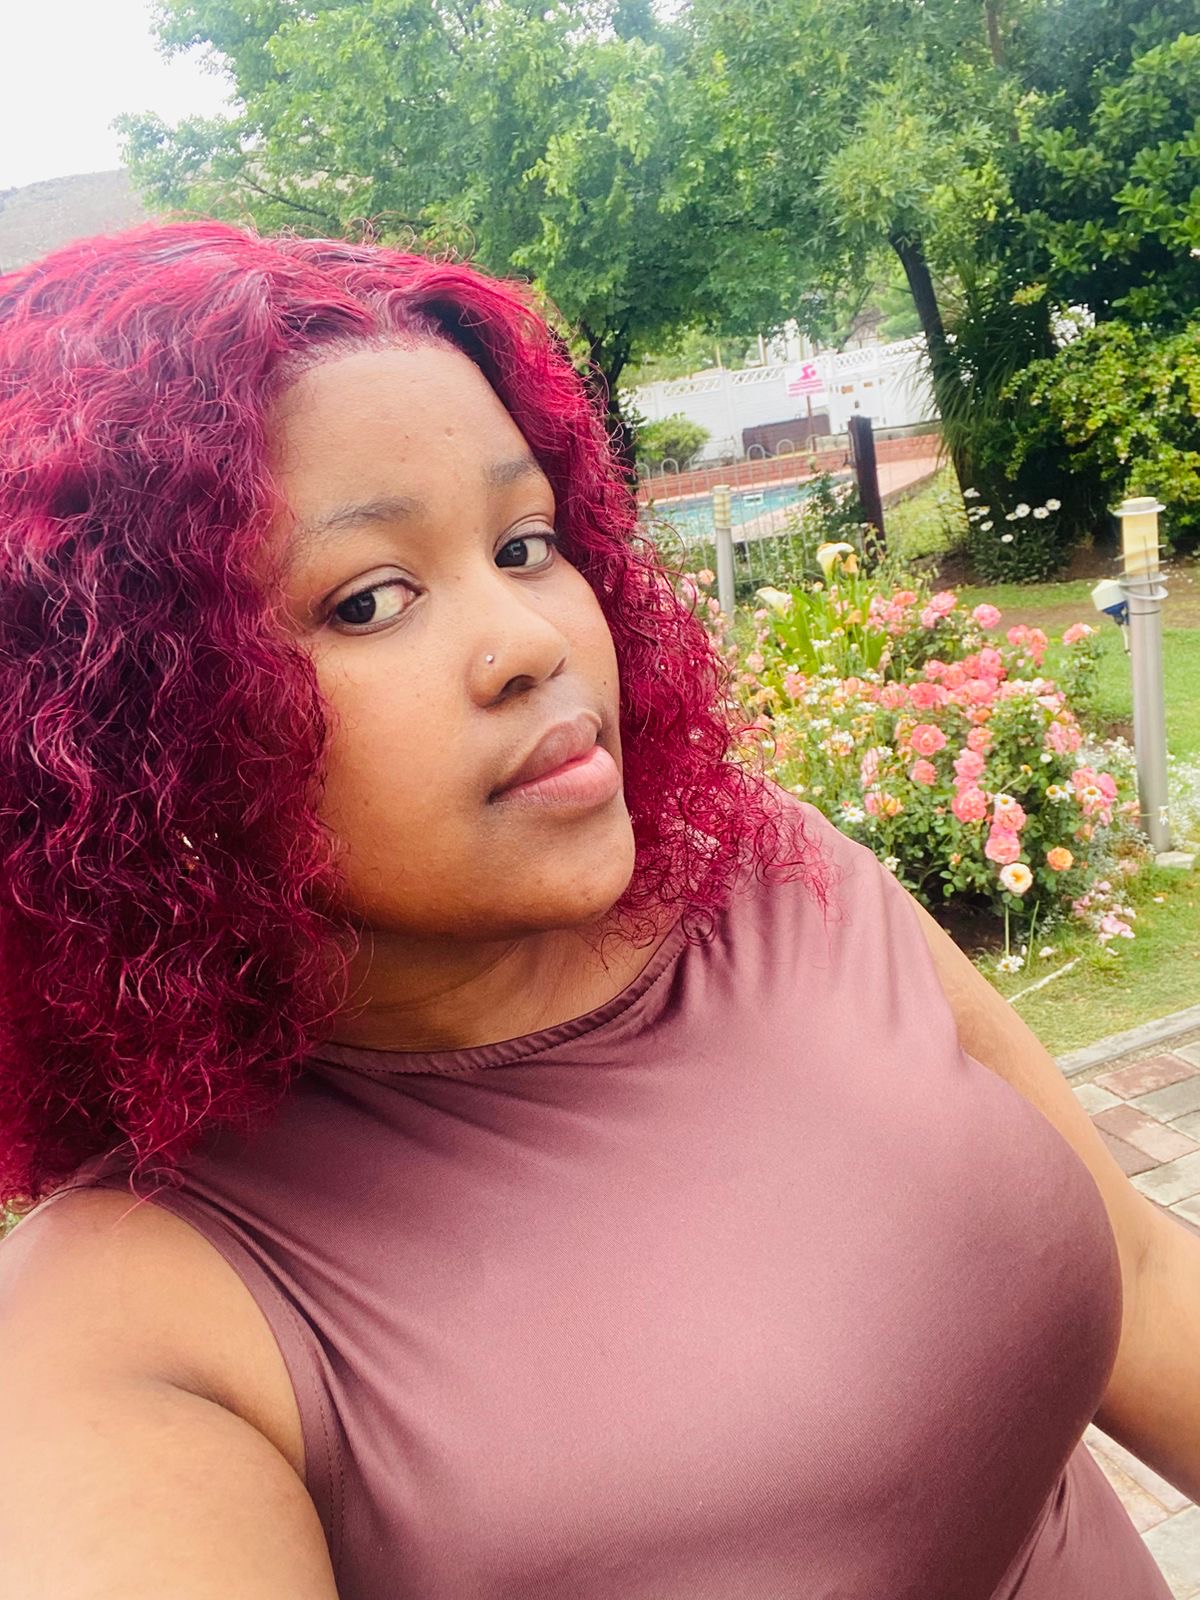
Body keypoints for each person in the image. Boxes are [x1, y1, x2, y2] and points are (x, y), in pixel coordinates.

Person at [0, 222, 1194, 1600]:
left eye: (524, 543)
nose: (532, 640)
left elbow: (1143, 1281)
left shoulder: (774, 881)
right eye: (371, 600)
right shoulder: (122, 1325)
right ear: (123, 725)